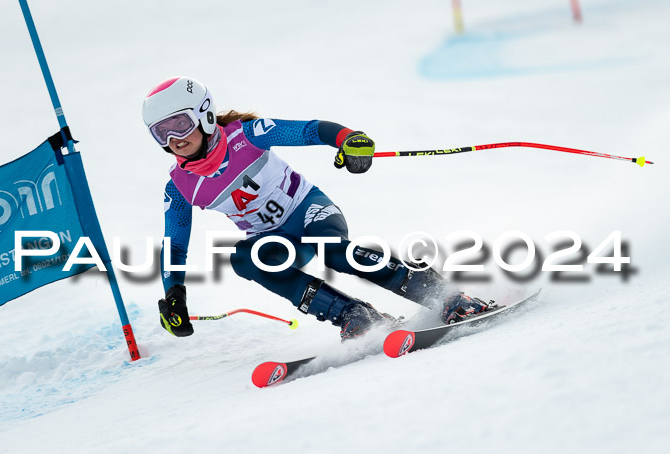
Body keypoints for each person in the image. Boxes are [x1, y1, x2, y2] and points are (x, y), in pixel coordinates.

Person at [142, 76, 494, 340]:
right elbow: (174, 245)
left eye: (181, 124)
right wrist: (174, 294)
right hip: (277, 241)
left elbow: (310, 130)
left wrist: (348, 139)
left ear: (203, 115)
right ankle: (354, 315)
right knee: (244, 259)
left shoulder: (245, 135)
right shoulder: (180, 186)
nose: (175, 140)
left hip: (310, 210)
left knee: (333, 251)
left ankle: (441, 294)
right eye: (161, 133)